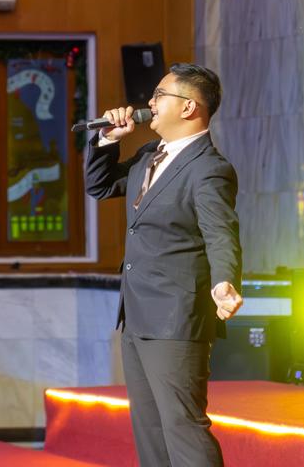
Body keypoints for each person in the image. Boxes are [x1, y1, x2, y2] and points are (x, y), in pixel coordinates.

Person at [85, 63, 243, 467]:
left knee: (182, 428)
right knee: (150, 430)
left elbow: (220, 232)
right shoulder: (148, 156)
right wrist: (107, 138)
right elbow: (100, 186)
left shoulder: (209, 169)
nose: (149, 103)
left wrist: (224, 280)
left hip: (176, 318)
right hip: (137, 314)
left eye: (159, 95)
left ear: (189, 107)